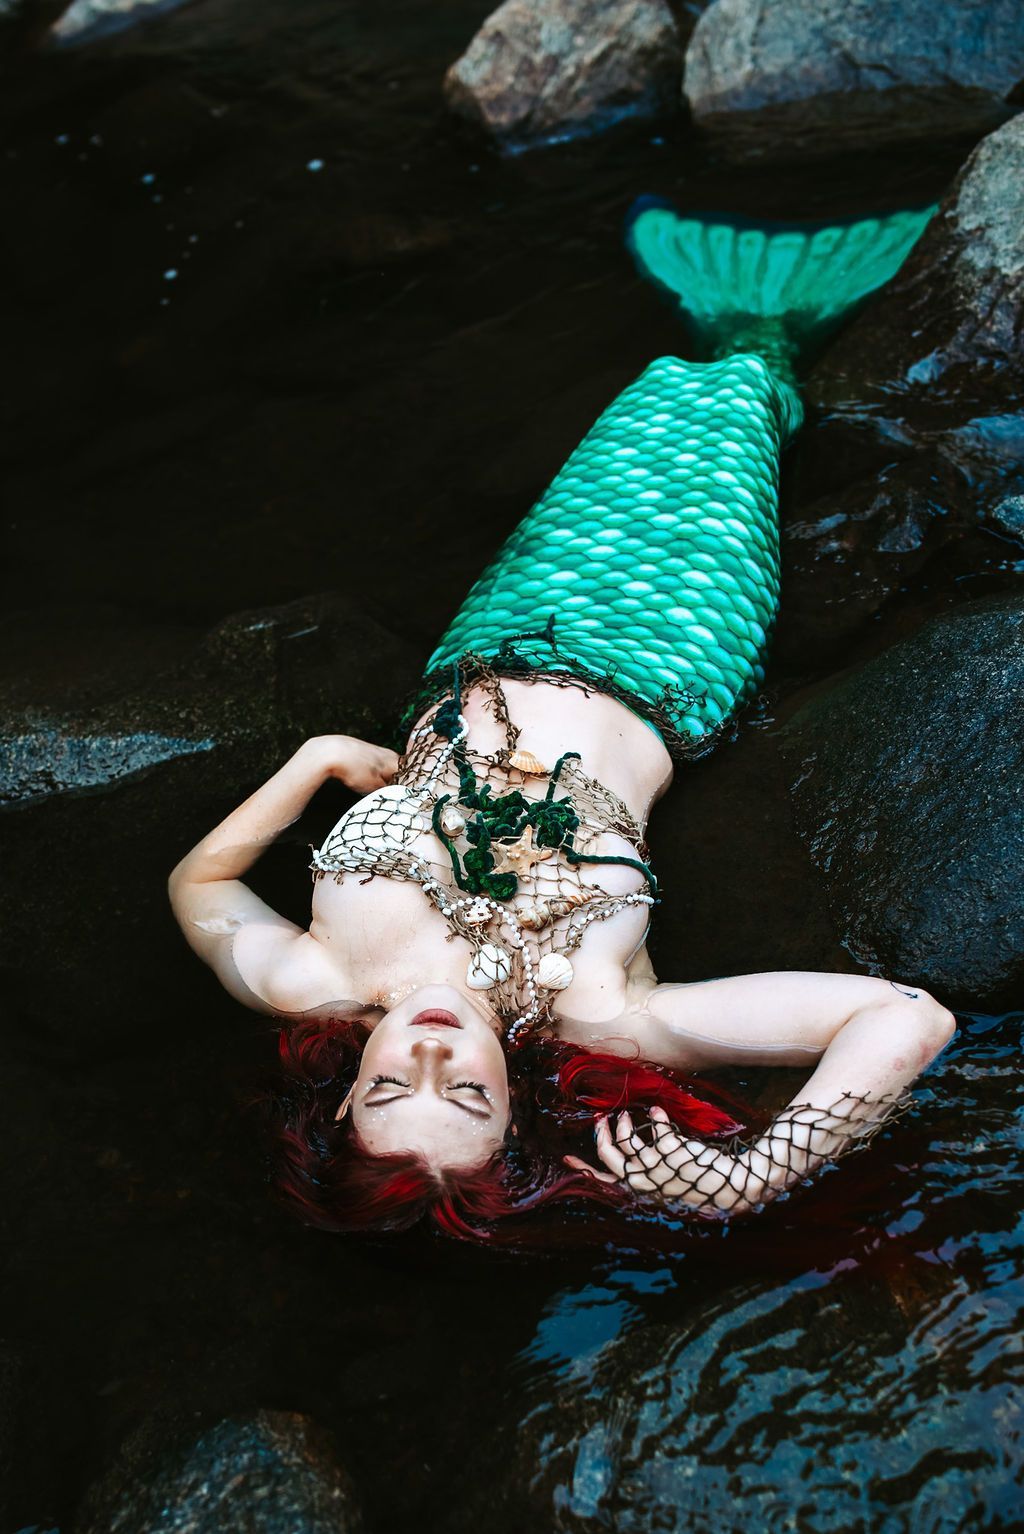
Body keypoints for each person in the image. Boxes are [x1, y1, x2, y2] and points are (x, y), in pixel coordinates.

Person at [168, 202, 956, 1241]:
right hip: (674, 647)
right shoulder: (604, 1012)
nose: (433, 1058)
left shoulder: (309, 978)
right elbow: (905, 1016)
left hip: (496, 631)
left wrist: (314, 763)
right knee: (727, 420)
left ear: (341, 1098)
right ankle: (780, 335)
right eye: (468, 1098)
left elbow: (202, 882)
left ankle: (747, 316)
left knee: (635, 422)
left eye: (393, 1089)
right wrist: (762, 1169)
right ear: (516, 1108)